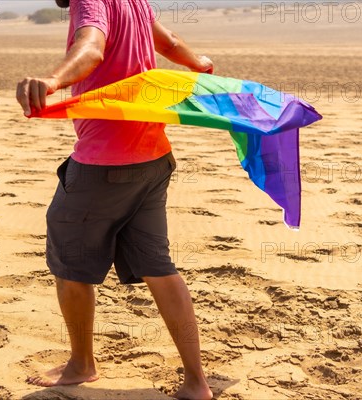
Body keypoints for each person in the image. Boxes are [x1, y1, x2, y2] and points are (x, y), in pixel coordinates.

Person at [16, 1, 214, 399]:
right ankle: (196, 382)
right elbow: (170, 41)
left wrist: (52, 81)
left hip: (103, 164)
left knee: (70, 263)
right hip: (154, 156)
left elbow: (92, 47)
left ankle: (81, 365)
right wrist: (200, 64)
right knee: (159, 266)